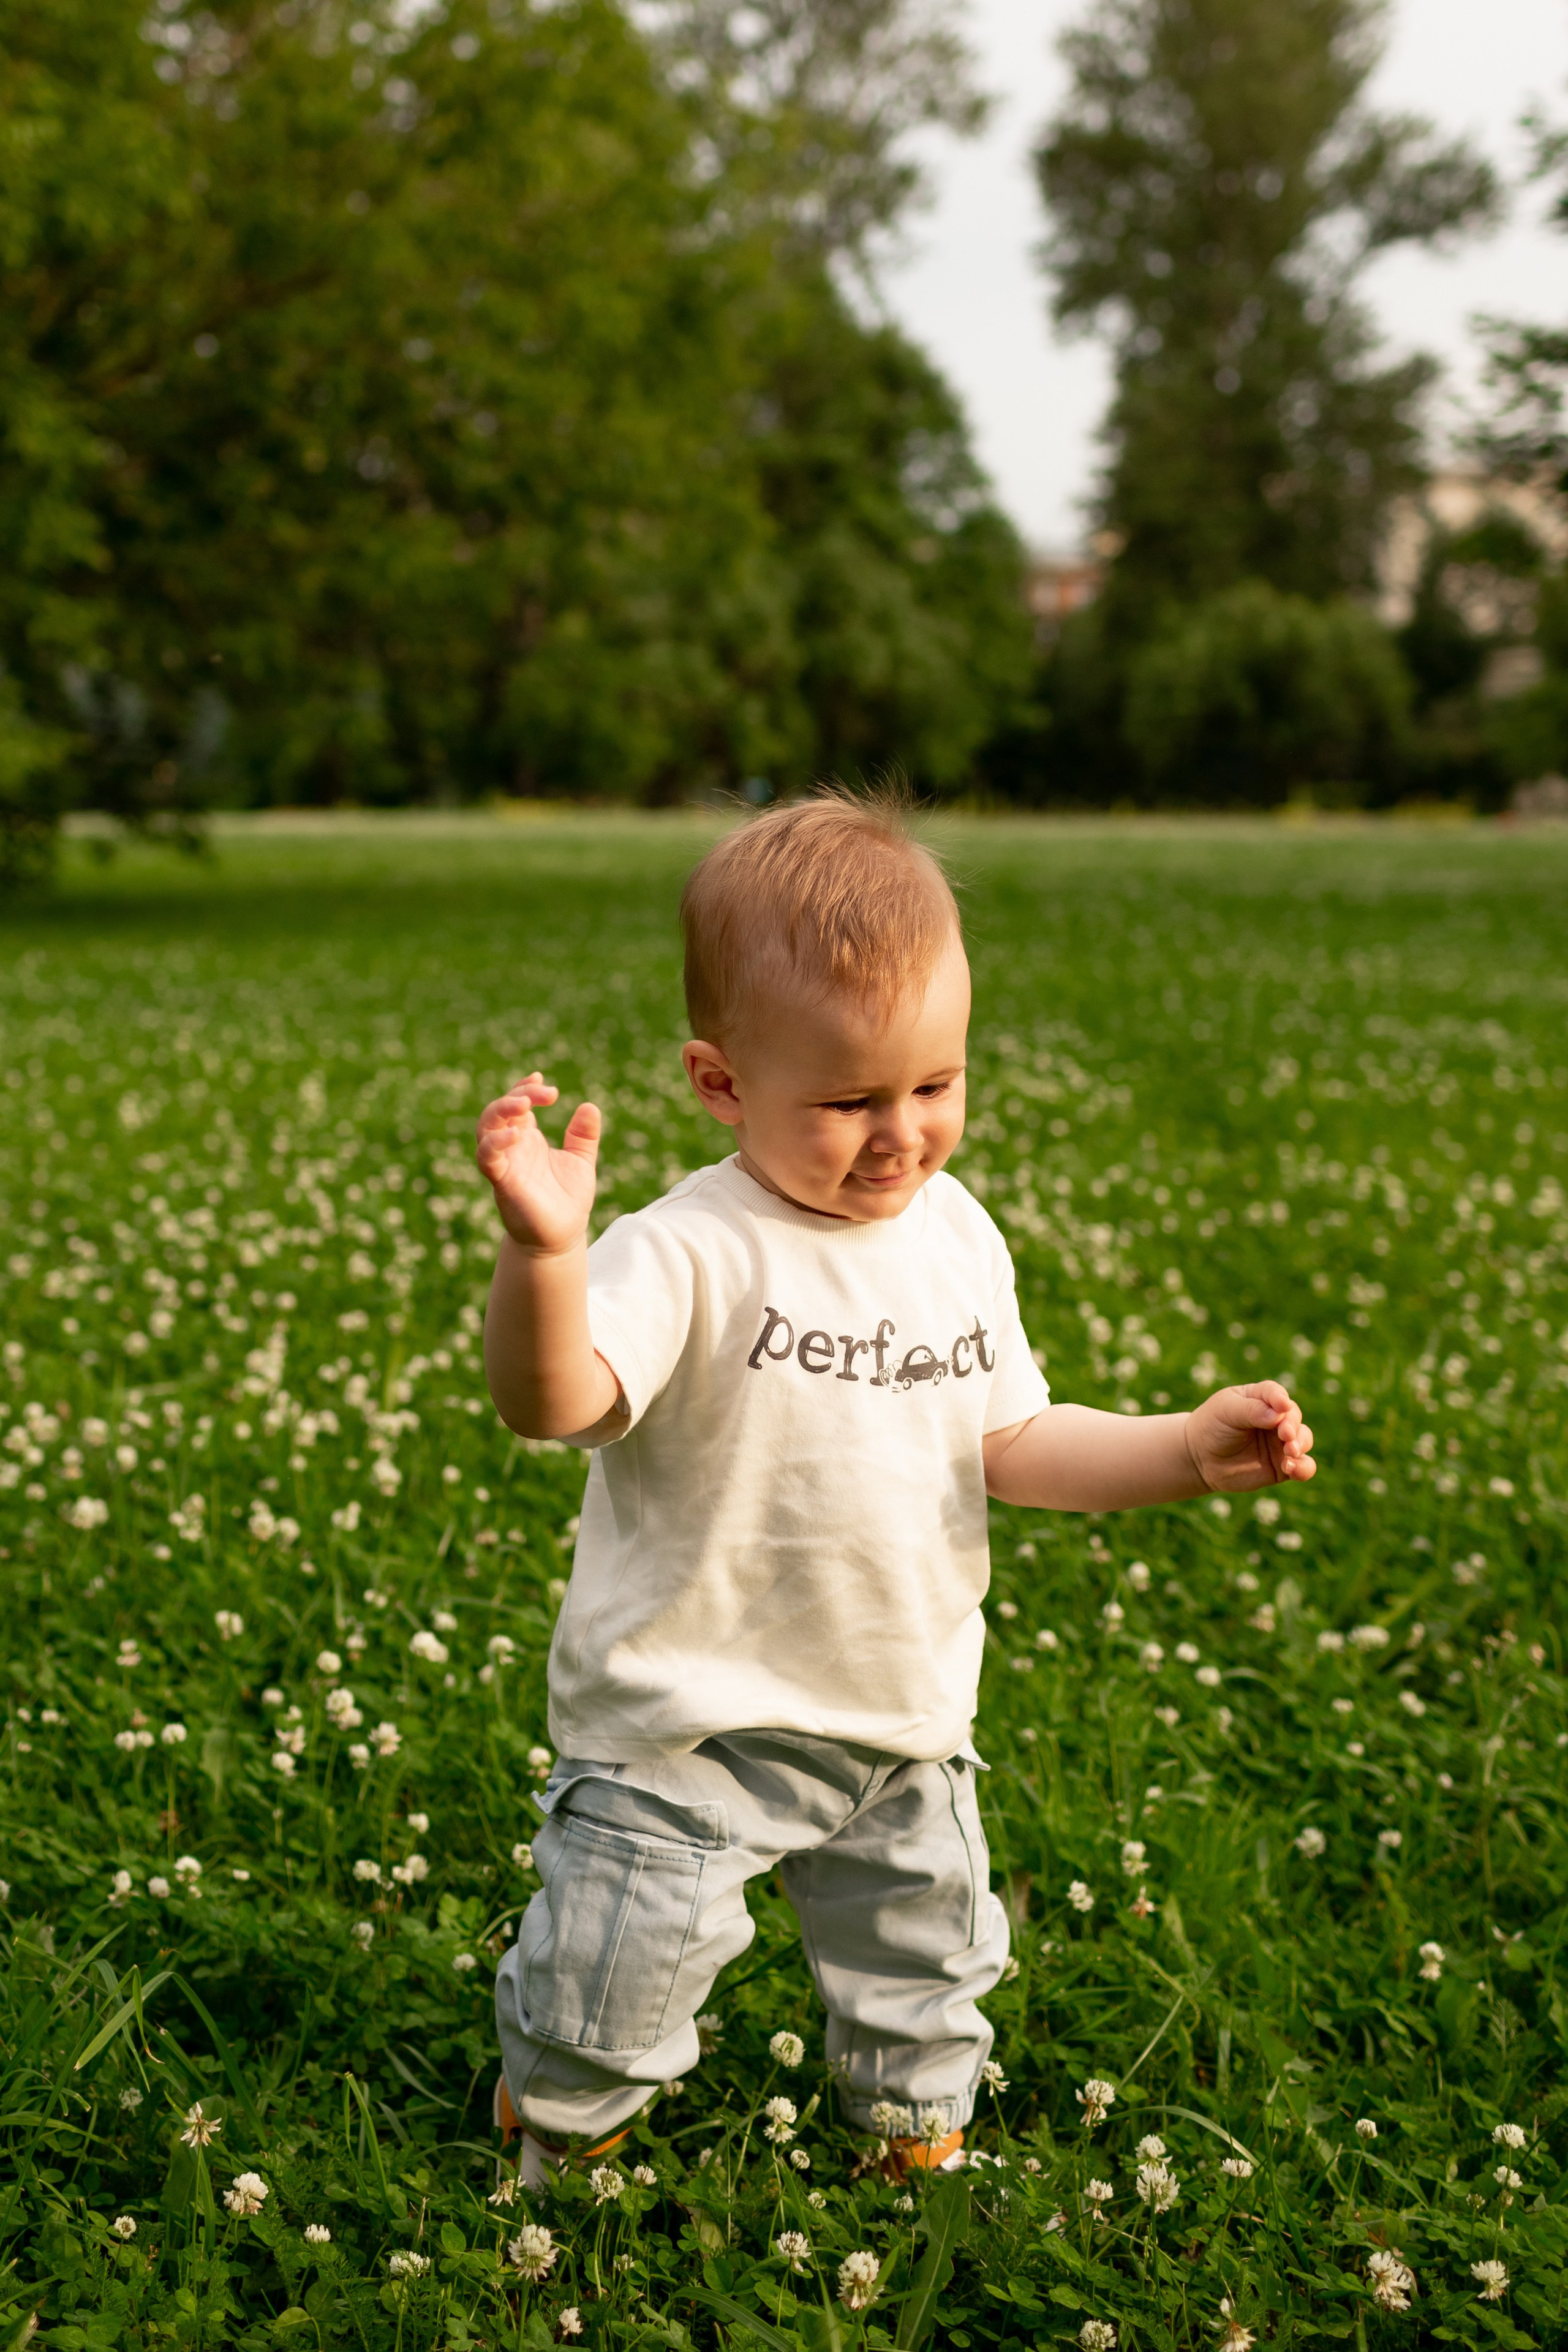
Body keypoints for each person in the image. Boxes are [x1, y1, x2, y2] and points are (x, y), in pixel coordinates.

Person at [476, 793, 1315, 2185]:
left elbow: (1011, 1439)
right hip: (689, 1720)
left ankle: (906, 2137)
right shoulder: (684, 1250)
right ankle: (565, 2124)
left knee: (926, 1964)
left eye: (935, 1086)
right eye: (849, 1100)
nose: (899, 1135)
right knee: (615, 1965)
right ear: (721, 1081)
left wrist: (1179, 1446)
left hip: (897, 1713)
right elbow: (549, 1402)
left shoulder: (953, 1235)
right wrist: (543, 1259)